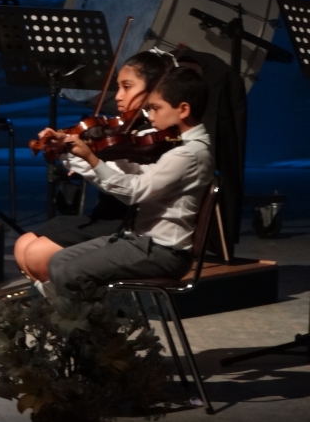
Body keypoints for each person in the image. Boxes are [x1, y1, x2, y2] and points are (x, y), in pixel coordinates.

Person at [15, 67, 212, 299]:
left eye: (156, 108)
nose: (150, 116)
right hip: (140, 241)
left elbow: (134, 192)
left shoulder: (189, 154)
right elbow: (140, 174)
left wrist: (91, 157)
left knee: (69, 271)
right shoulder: (179, 146)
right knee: (59, 261)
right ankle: (75, 315)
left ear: (183, 110)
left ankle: (82, 318)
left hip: (162, 251)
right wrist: (111, 152)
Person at [20, 51, 169, 251]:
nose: (118, 96)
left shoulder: (152, 136)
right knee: (24, 243)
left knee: (36, 251)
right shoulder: (124, 128)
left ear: (154, 87)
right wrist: (68, 150)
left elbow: (122, 186)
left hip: (130, 221)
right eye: (118, 87)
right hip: (106, 214)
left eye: (127, 87)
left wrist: (82, 156)